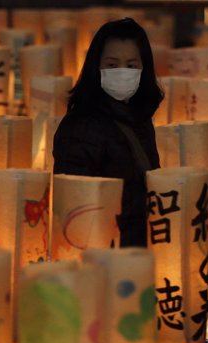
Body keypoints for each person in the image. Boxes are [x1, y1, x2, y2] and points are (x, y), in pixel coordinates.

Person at [53, 18, 163, 247]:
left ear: (144, 69)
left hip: (138, 254)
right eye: (112, 65)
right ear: (97, 67)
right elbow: (76, 208)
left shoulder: (139, 119)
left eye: (131, 65)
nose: (122, 72)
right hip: (105, 260)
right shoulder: (81, 127)